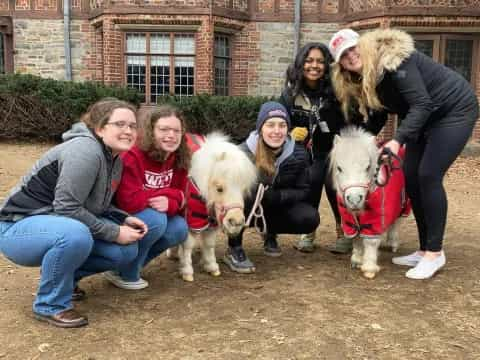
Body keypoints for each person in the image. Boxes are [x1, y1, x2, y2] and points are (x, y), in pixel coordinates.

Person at [329, 28, 479, 279]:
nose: (351, 56)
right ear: (341, 66)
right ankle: (423, 250)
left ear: (363, 45)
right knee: (410, 176)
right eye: (344, 56)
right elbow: (381, 114)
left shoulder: (396, 63)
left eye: (353, 48)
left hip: (454, 111)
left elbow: (421, 104)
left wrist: (398, 140)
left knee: (428, 175)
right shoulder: (366, 78)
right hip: (425, 118)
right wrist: (363, 142)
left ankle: (434, 253)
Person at [0, 98, 147, 328]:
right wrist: (114, 231)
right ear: (100, 128)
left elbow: (96, 205)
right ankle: (50, 304)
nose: (128, 131)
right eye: (120, 124)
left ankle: (65, 280)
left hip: (56, 224)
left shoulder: (114, 159)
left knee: (125, 250)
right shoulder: (85, 151)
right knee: (75, 234)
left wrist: (122, 218)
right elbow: (67, 207)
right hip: (17, 229)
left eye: (132, 125)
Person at [223, 101, 320, 273]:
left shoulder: (298, 154)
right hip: (245, 207)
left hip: (275, 206)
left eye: (282, 125)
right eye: (270, 125)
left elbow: (304, 190)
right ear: (260, 128)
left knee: (309, 218)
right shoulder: (241, 153)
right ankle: (234, 247)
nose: (276, 131)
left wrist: (278, 196)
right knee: (248, 191)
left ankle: (270, 233)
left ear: (288, 128)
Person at [279, 42, 353, 254]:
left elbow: (347, 121)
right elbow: (277, 120)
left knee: (334, 185)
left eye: (320, 61)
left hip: (332, 151)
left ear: (328, 65)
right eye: (309, 60)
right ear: (301, 64)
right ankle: (308, 232)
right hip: (303, 155)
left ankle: (344, 231)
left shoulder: (336, 92)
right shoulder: (290, 94)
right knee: (310, 181)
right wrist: (290, 133)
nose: (315, 66)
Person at [113, 105, 190, 289]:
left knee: (179, 228)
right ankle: (126, 270)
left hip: (149, 213)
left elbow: (181, 198)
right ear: (151, 131)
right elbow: (129, 201)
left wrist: (173, 200)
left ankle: (127, 267)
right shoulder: (133, 155)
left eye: (176, 131)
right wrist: (171, 194)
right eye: (163, 129)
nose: (171, 135)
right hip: (121, 216)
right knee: (156, 219)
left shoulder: (179, 157)